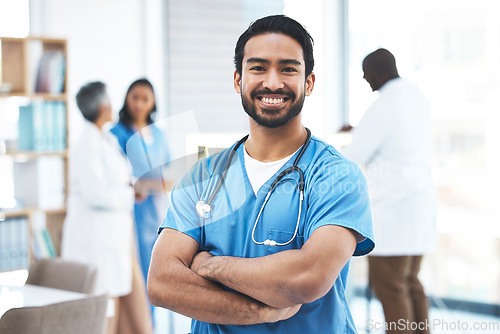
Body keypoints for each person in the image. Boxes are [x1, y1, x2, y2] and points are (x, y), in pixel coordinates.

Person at [147, 15, 374, 334]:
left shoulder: (337, 175)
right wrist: (258, 311)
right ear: (238, 80)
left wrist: (208, 265)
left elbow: (307, 277)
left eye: (288, 69)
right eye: (258, 67)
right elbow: (161, 282)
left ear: (308, 82)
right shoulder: (204, 176)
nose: (272, 82)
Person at [341, 48, 436, 334]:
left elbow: (354, 156)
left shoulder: (383, 106)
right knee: (411, 284)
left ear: (380, 72)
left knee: (392, 289)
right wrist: (360, 129)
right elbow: (399, 137)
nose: (364, 78)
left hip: (394, 212)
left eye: (366, 72)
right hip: (419, 208)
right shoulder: (416, 97)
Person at [61, 82, 153, 334]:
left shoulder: (105, 138)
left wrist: (132, 186)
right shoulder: (86, 143)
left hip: (115, 239)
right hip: (96, 243)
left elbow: (118, 177)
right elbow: (95, 194)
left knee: (126, 304)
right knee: (104, 313)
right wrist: (128, 194)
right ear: (103, 107)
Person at [110, 79, 171, 291]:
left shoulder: (160, 135)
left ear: (153, 103)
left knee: (157, 279)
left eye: (145, 99)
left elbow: (170, 172)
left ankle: (150, 325)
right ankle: (142, 325)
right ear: (126, 98)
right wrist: (151, 184)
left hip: (157, 214)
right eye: (134, 97)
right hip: (130, 213)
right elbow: (118, 178)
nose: (138, 104)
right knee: (137, 280)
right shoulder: (116, 134)